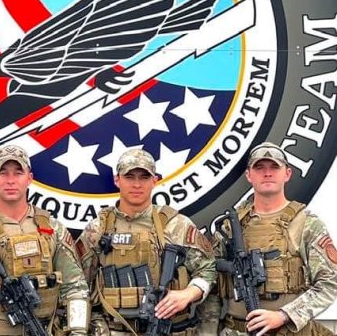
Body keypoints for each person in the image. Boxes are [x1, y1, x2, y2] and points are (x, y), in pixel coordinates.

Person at [0, 144, 90, 335]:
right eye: (3, 173)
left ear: (29, 178)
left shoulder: (52, 229)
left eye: (18, 173)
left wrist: (77, 333)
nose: (10, 180)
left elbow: (75, 287)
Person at [75, 148, 216, 335]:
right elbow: (76, 283)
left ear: (155, 180)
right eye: (129, 177)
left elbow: (208, 269)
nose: (137, 184)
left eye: (144, 177)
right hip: (113, 329)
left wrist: (188, 294)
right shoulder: (98, 228)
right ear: (117, 180)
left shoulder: (175, 224)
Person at [215, 142, 337, 336]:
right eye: (259, 167)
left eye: (274, 167)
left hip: (288, 331)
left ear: (287, 173)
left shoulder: (306, 223)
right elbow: (213, 283)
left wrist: (284, 315)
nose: (267, 173)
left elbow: (331, 282)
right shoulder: (231, 226)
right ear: (249, 175)